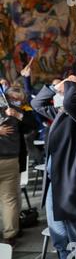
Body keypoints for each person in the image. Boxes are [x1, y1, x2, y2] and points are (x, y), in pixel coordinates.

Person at [31, 75, 76, 259]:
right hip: (54, 186)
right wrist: (58, 86)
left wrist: (74, 83)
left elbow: (72, 105)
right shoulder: (62, 113)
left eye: (69, 91)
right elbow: (36, 103)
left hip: (72, 187)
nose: (63, 95)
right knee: (61, 241)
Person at [0, 86, 35, 247]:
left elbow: (32, 124)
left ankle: (10, 235)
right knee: (9, 200)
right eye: (14, 99)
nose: (16, 102)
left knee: (10, 199)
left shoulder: (15, 112)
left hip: (10, 161)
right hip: (10, 160)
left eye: (19, 101)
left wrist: (17, 114)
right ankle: (10, 235)